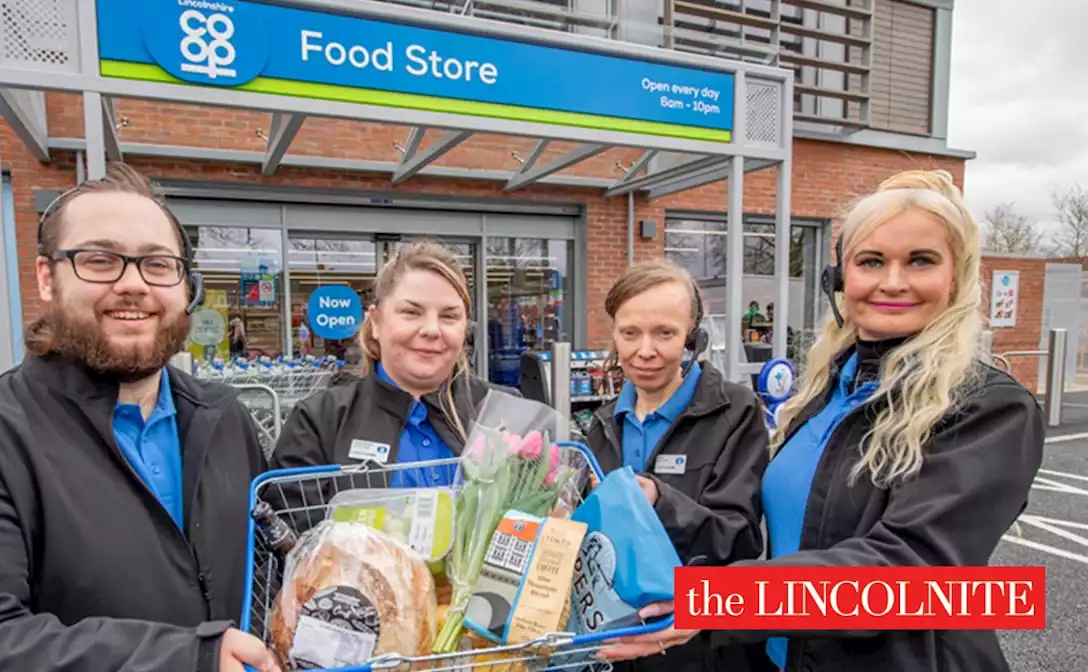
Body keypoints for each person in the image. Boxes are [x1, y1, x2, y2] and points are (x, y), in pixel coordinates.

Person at [599, 170, 1045, 671]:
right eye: (872, 261)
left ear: (956, 278)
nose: (892, 281)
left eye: (920, 261)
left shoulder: (986, 406)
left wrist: (717, 600)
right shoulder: (828, 392)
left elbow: (907, 571)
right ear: (841, 278)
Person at [0, 163, 279, 672]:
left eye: (158, 264)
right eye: (101, 260)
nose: (134, 285)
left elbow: (267, 568)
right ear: (47, 277)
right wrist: (187, 660)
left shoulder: (224, 419)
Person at [583, 259, 769, 672]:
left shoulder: (735, 413)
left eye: (665, 333)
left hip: (701, 655)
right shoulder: (600, 426)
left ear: (692, 337)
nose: (644, 350)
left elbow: (739, 539)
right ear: (614, 334)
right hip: (615, 650)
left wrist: (658, 500)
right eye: (630, 333)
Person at [269, 241, 517, 511]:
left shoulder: (501, 413)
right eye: (411, 312)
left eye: (449, 316)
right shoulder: (319, 422)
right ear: (375, 322)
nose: (432, 330)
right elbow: (295, 539)